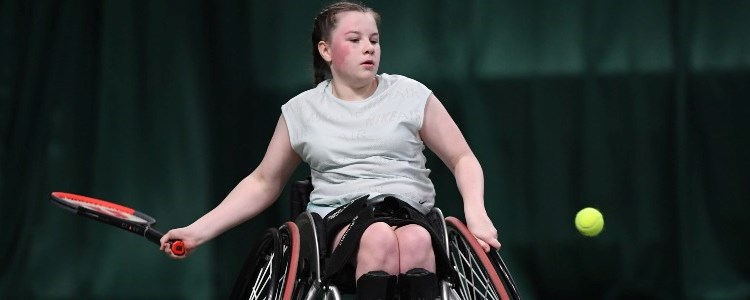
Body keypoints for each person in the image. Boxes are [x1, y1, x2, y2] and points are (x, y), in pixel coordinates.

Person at [160, 1, 500, 299]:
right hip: (341, 219)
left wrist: (477, 212)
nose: (369, 48)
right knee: (378, 237)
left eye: (374, 40)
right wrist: (196, 232)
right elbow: (263, 182)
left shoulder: (411, 95)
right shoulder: (302, 111)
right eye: (355, 40)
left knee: (415, 241)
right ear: (326, 50)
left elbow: (462, 158)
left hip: (411, 213)